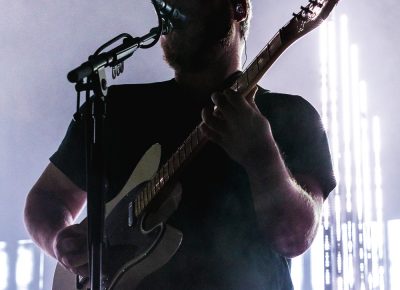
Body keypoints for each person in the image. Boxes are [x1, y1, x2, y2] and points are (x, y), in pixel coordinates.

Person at [24, 0, 336, 289]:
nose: (171, 5)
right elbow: (48, 198)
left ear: (237, 8)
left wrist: (262, 157)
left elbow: (296, 238)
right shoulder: (115, 110)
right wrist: (60, 242)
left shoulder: (288, 115)